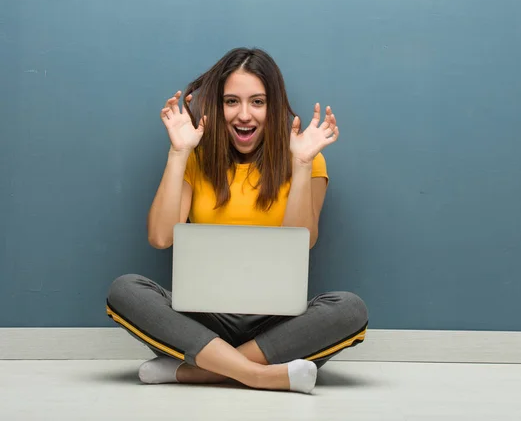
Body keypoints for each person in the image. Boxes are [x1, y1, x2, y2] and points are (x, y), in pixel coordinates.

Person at [106, 47, 368, 394]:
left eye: (257, 102)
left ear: (273, 106)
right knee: (124, 291)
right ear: (218, 106)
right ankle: (259, 375)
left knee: (350, 309)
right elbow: (159, 236)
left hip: (276, 325)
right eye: (232, 102)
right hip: (203, 321)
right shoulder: (198, 159)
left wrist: (302, 164)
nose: (244, 115)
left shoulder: (305, 158)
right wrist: (179, 153)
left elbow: (302, 239)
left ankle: (199, 370)